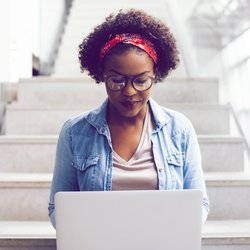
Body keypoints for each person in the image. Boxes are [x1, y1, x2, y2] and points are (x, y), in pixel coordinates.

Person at [48, 8, 209, 228]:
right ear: (102, 76)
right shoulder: (75, 133)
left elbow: (200, 203)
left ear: (155, 75)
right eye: (117, 80)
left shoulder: (179, 129)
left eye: (141, 80)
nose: (130, 92)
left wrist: (176, 230)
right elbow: (58, 208)